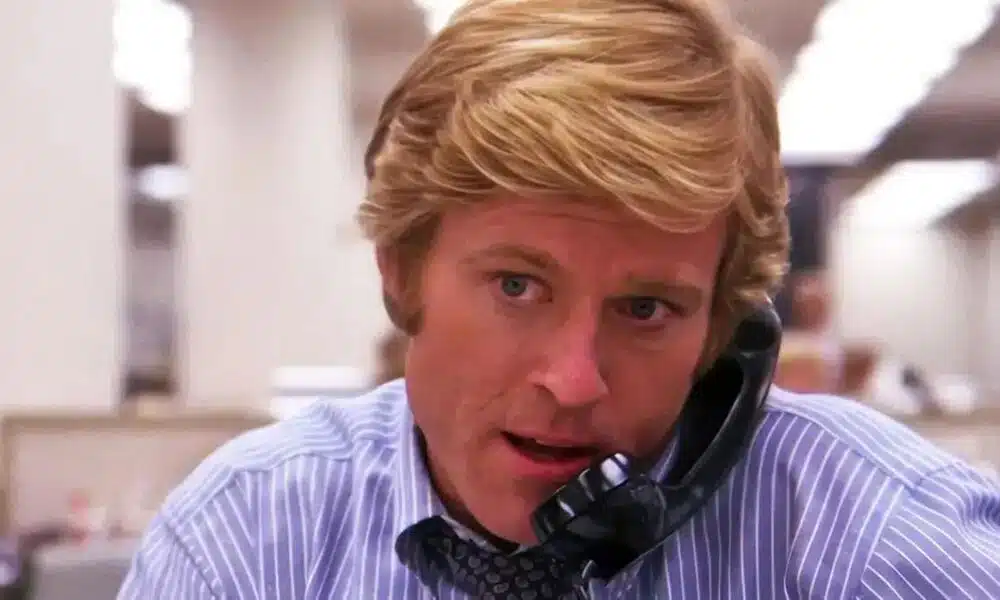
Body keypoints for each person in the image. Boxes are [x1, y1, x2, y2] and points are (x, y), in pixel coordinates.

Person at [118, 0, 1000, 597]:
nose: (575, 381)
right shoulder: (250, 537)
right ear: (400, 270)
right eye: (517, 286)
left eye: (647, 309)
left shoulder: (878, 539)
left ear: (718, 329)